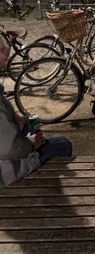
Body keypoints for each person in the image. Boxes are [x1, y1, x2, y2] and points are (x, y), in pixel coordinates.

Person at [0, 36, 72, 188]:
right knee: (64, 144)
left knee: (27, 120)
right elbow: (12, 150)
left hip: (6, 147)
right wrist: (33, 144)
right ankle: (44, 186)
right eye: (1, 50)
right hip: (6, 170)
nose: (6, 54)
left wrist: (16, 117)